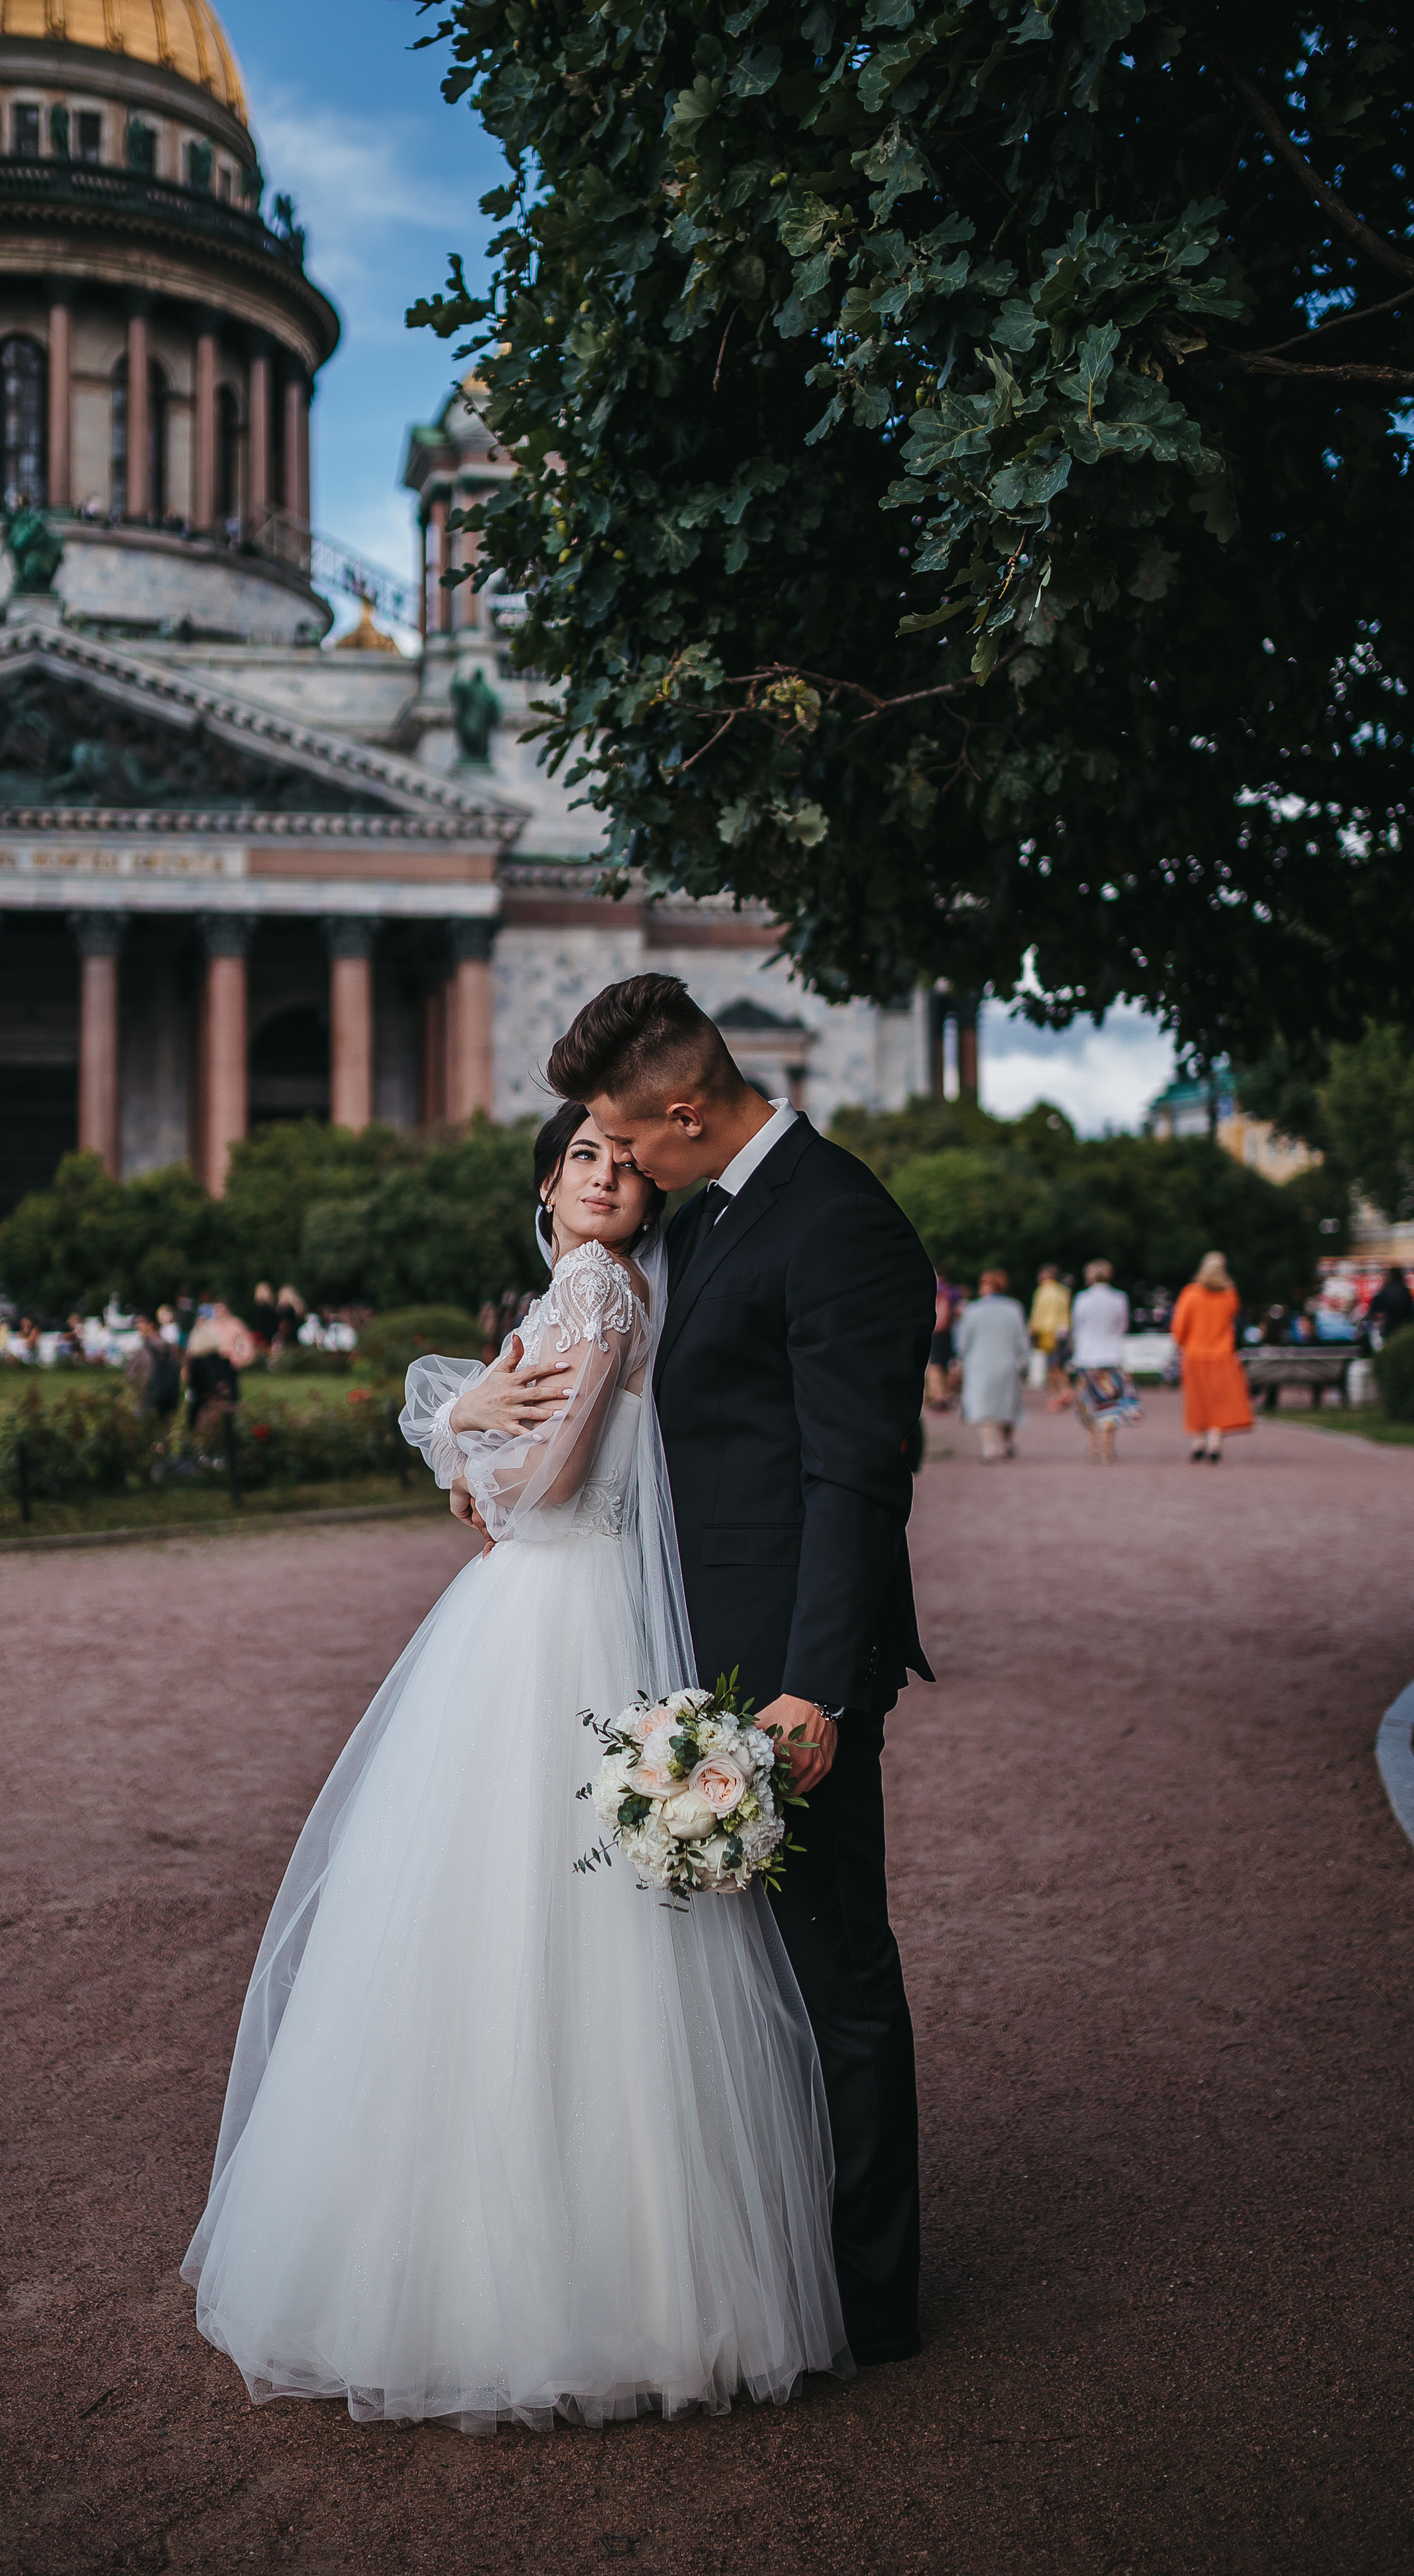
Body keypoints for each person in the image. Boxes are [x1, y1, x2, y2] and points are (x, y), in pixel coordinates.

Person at [182, 1102, 847, 2426]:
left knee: (496, 1915)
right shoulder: (569, 1291)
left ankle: (492, 2276)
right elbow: (497, 1498)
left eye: (624, 1164)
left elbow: (533, 1494)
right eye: (582, 1159)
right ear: (547, 1184)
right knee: (533, 1922)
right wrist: (473, 1431)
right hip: (542, 1610)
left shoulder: (597, 1294)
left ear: (647, 1200)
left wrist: (456, 1428)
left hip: (557, 1614)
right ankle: (630, 2271)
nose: (605, 1178)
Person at [550, 974, 934, 2370]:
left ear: (687, 1112)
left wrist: (816, 1691)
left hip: (787, 1672)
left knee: (836, 1970)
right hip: (693, 1649)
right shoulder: (715, 1211)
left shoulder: (839, 1223)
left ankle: (874, 2301)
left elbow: (854, 1480)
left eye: (623, 1137)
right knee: (745, 1984)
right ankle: (782, 2267)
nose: (616, 1167)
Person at [1170, 1251, 1255, 1463]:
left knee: (1198, 1400)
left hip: (1195, 1354)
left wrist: (1180, 1344)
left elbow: (1179, 1327)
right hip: (1222, 1355)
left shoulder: (1191, 1293)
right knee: (1220, 1400)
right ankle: (1215, 1442)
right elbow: (1233, 1322)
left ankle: (1198, 1441)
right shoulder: (1229, 1295)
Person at [954, 1268, 1032, 1461]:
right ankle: (1007, 1443)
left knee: (983, 1405)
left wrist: (960, 1359)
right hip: (1007, 1362)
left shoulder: (972, 1310)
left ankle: (989, 1447)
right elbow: (1022, 1340)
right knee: (1008, 1404)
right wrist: (1023, 1361)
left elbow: (963, 1341)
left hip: (979, 1363)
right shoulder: (1014, 1308)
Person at [1067, 1258, 1137, 1464]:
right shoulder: (1119, 1298)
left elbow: (1076, 1327)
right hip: (1111, 1355)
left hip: (1087, 1357)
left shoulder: (1081, 1299)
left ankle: (1093, 1445)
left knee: (1088, 1404)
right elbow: (1123, 1326)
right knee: (1110, 1404)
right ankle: (1108, 1447)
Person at [1026, 1265, 1070, 1391]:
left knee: (1052, 1365)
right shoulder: (1063, 1291)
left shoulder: (1042, 1291)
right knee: (1060, 1364)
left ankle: (1057, 1394)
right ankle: (1065, 1389)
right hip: (1063, 1330)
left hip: (1047, 1331)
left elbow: (1038, 1312)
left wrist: (1032, 1329)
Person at [1366, 1264, 1414, 1346]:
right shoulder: (1405, 1292)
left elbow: (1376, 1314)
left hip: (1390, 1330)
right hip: (1402, 1330)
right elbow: (1411, 1313)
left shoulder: (1384, 1293)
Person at [924, 1277, 956, 1411]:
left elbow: (941, 1318)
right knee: (942, 1367)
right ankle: (941, 1395)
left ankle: (938, 1397)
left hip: (937, 1333)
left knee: (935, 1367)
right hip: (946, 1334)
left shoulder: (939, 1290)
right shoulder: (949, 1290)